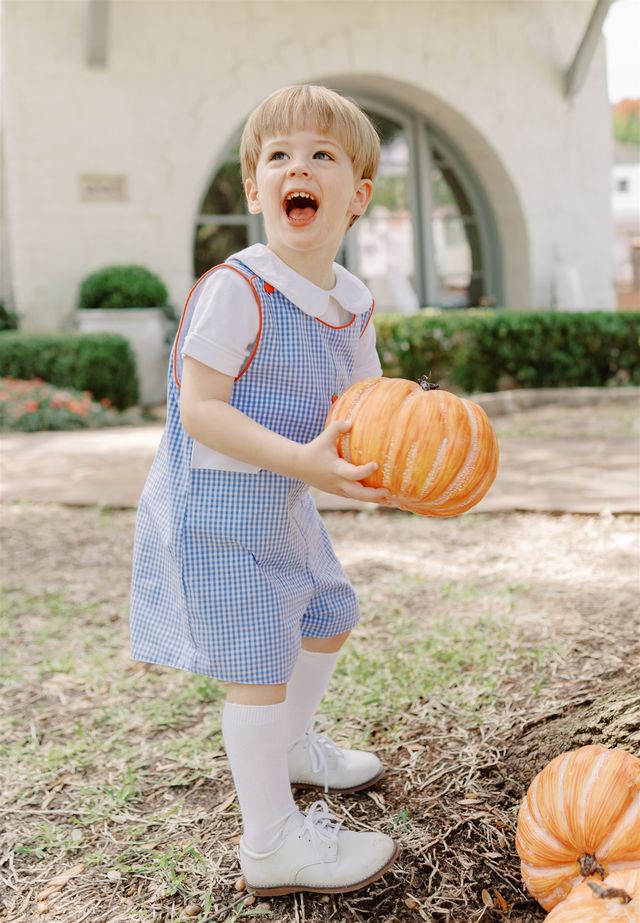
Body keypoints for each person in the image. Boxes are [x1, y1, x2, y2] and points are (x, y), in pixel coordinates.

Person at [130, 84, 399, 896]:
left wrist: (396, 462)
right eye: (278, 156)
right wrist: (306, 463)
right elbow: (203, 412)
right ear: (256, 191)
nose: (297, 167)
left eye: (322, 154)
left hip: (282, 498)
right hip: (212, 508)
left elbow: (370, 411)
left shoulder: (350, 301)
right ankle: (271, 841)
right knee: (258, 663)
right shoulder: (237, 290)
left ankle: (289, 743)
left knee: (329, 612)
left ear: (356, 195)